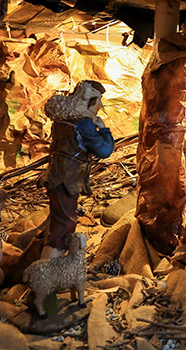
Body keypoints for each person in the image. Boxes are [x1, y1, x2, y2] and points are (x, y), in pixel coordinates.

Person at [42, 80, 115, 259]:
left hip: (59, 176)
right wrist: (103, 129)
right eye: (99, 100)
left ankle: (49, 264)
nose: (100, 105)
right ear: (89, 101)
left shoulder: (65, 119)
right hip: (66, 179)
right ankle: (46, 270)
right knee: (63, 227)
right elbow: (104, 150)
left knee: (58, 222)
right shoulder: (83, 124)